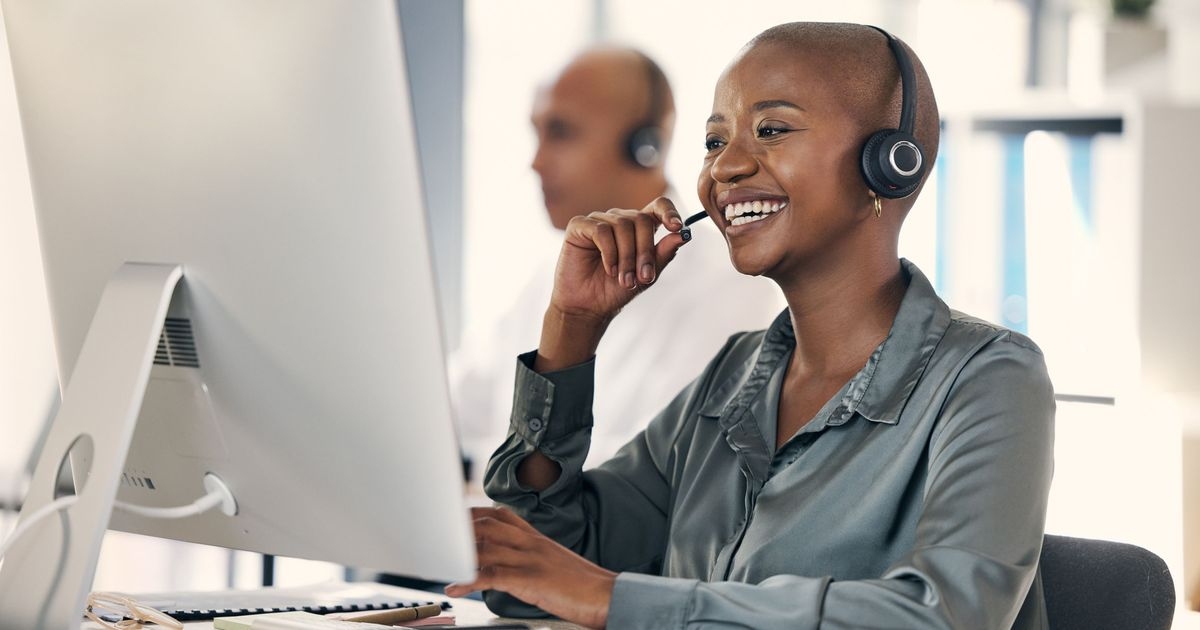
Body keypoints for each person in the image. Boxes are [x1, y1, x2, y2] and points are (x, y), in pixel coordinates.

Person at [445, 22, 1056, 629]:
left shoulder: (990, 379)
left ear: (889, 164)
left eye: (771, 130)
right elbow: (536, 570)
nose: (727, 167)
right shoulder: (732, 380)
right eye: (714, 142)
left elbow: (948, 618)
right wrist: (571, 329)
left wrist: (612, 597)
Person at [449, 46, 782, 481]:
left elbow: (650, 477)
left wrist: (489, 467)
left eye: (561, 132)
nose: (536, 162)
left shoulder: (732, 287)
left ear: (645, 147)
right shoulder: (548, 278)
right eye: (538, 133)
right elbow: (453, 410)